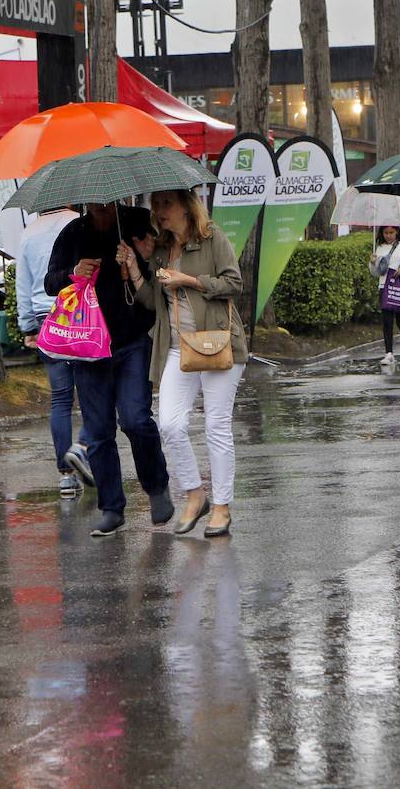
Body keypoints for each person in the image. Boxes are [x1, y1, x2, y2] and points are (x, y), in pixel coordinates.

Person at [45, 201, 172, 537]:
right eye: (94, 203)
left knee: (135, 419)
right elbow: (50, 281)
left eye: (106, 202)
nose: (100, 207)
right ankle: (112, 508)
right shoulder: (74, 232)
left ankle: (157, 487)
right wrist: (74, 272)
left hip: (132, 340)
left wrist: (137, 259)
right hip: (89, 347)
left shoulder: (138, 222)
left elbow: (163, 265)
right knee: (99, 432)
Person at [128, 189, 246, 538]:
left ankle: (222, 507)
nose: (159, 211)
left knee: (216, 426)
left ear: (185, 206)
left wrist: (189, 281)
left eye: (166, 204)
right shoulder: (163, 249)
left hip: (217, 343)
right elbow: (153, 300)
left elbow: (234, 282)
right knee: (170, 425)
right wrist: (137, 268)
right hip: (178, 348)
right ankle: (195, 494)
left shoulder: (212, 238)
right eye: (156, 205)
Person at [16, 206, 93, 498]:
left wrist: (27, 327)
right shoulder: (79, 224)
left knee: (60, 397)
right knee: (90, 388)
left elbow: (23, 286)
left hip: (43, 316)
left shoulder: (27, 233)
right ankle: (83, 447)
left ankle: (65, 476)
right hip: (78, 311)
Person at [370, 226, 400, 366]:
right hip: (384, 286)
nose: (389, 235)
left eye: (391, 232)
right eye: (386, 233)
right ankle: (389, 353)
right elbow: (376, 272)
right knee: (387, 321)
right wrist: (372, 263)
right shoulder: (379, 248)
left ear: (397, 232)